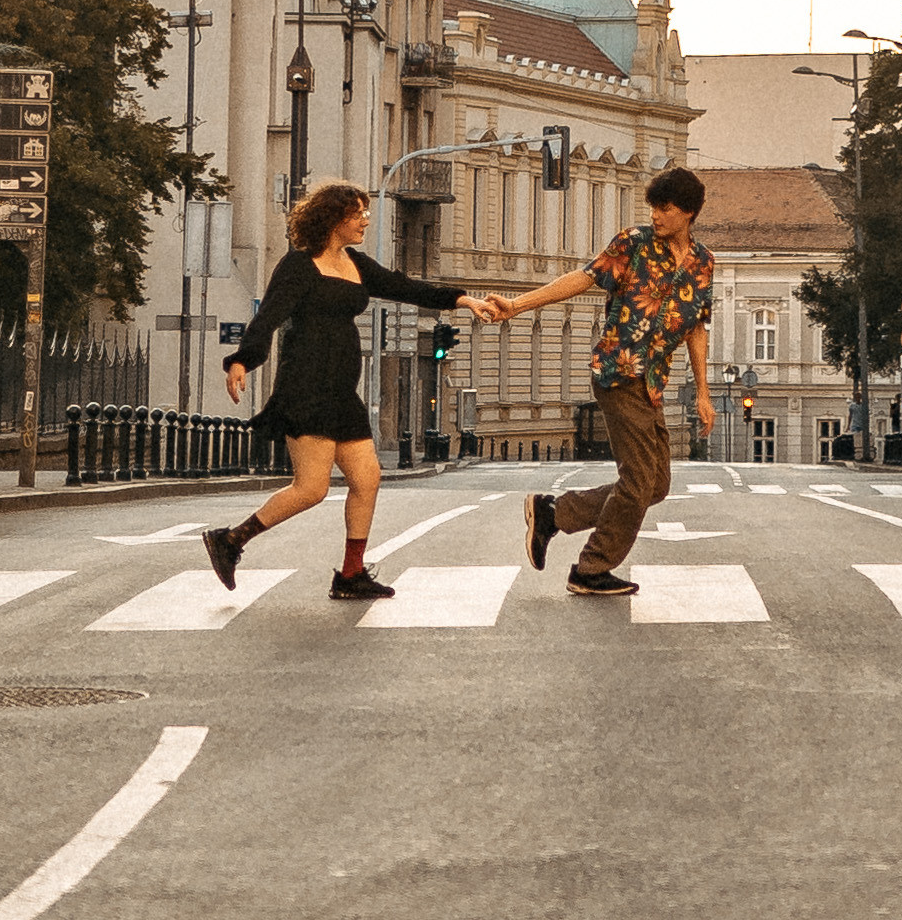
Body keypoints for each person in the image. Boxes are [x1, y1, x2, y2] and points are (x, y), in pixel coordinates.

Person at [203, 180, 492, 601]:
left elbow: (405, 286)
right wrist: (243, 360)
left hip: (341, 390)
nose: (365, 221)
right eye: (358, 214)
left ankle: (351, 574)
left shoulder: (355, 263)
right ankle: (231, 539)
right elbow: (269, 318)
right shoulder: (299, 265)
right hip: (305, 387)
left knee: (367, 478)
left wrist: (463, 300)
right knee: (311, 489)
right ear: (334, 218)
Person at [495, 165, 714, 600]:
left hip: (652, 382)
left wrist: (704, 394)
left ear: (688, 212)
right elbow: (583, 278)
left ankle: (554, 513)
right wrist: (518, 305)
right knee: (638, 480)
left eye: (665, 209)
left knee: (656, 485)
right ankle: (591, 569)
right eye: (653, 207)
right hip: (618, 373)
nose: (656, 215)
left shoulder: (703, 262)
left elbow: (696, 327)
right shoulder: (634, 243)